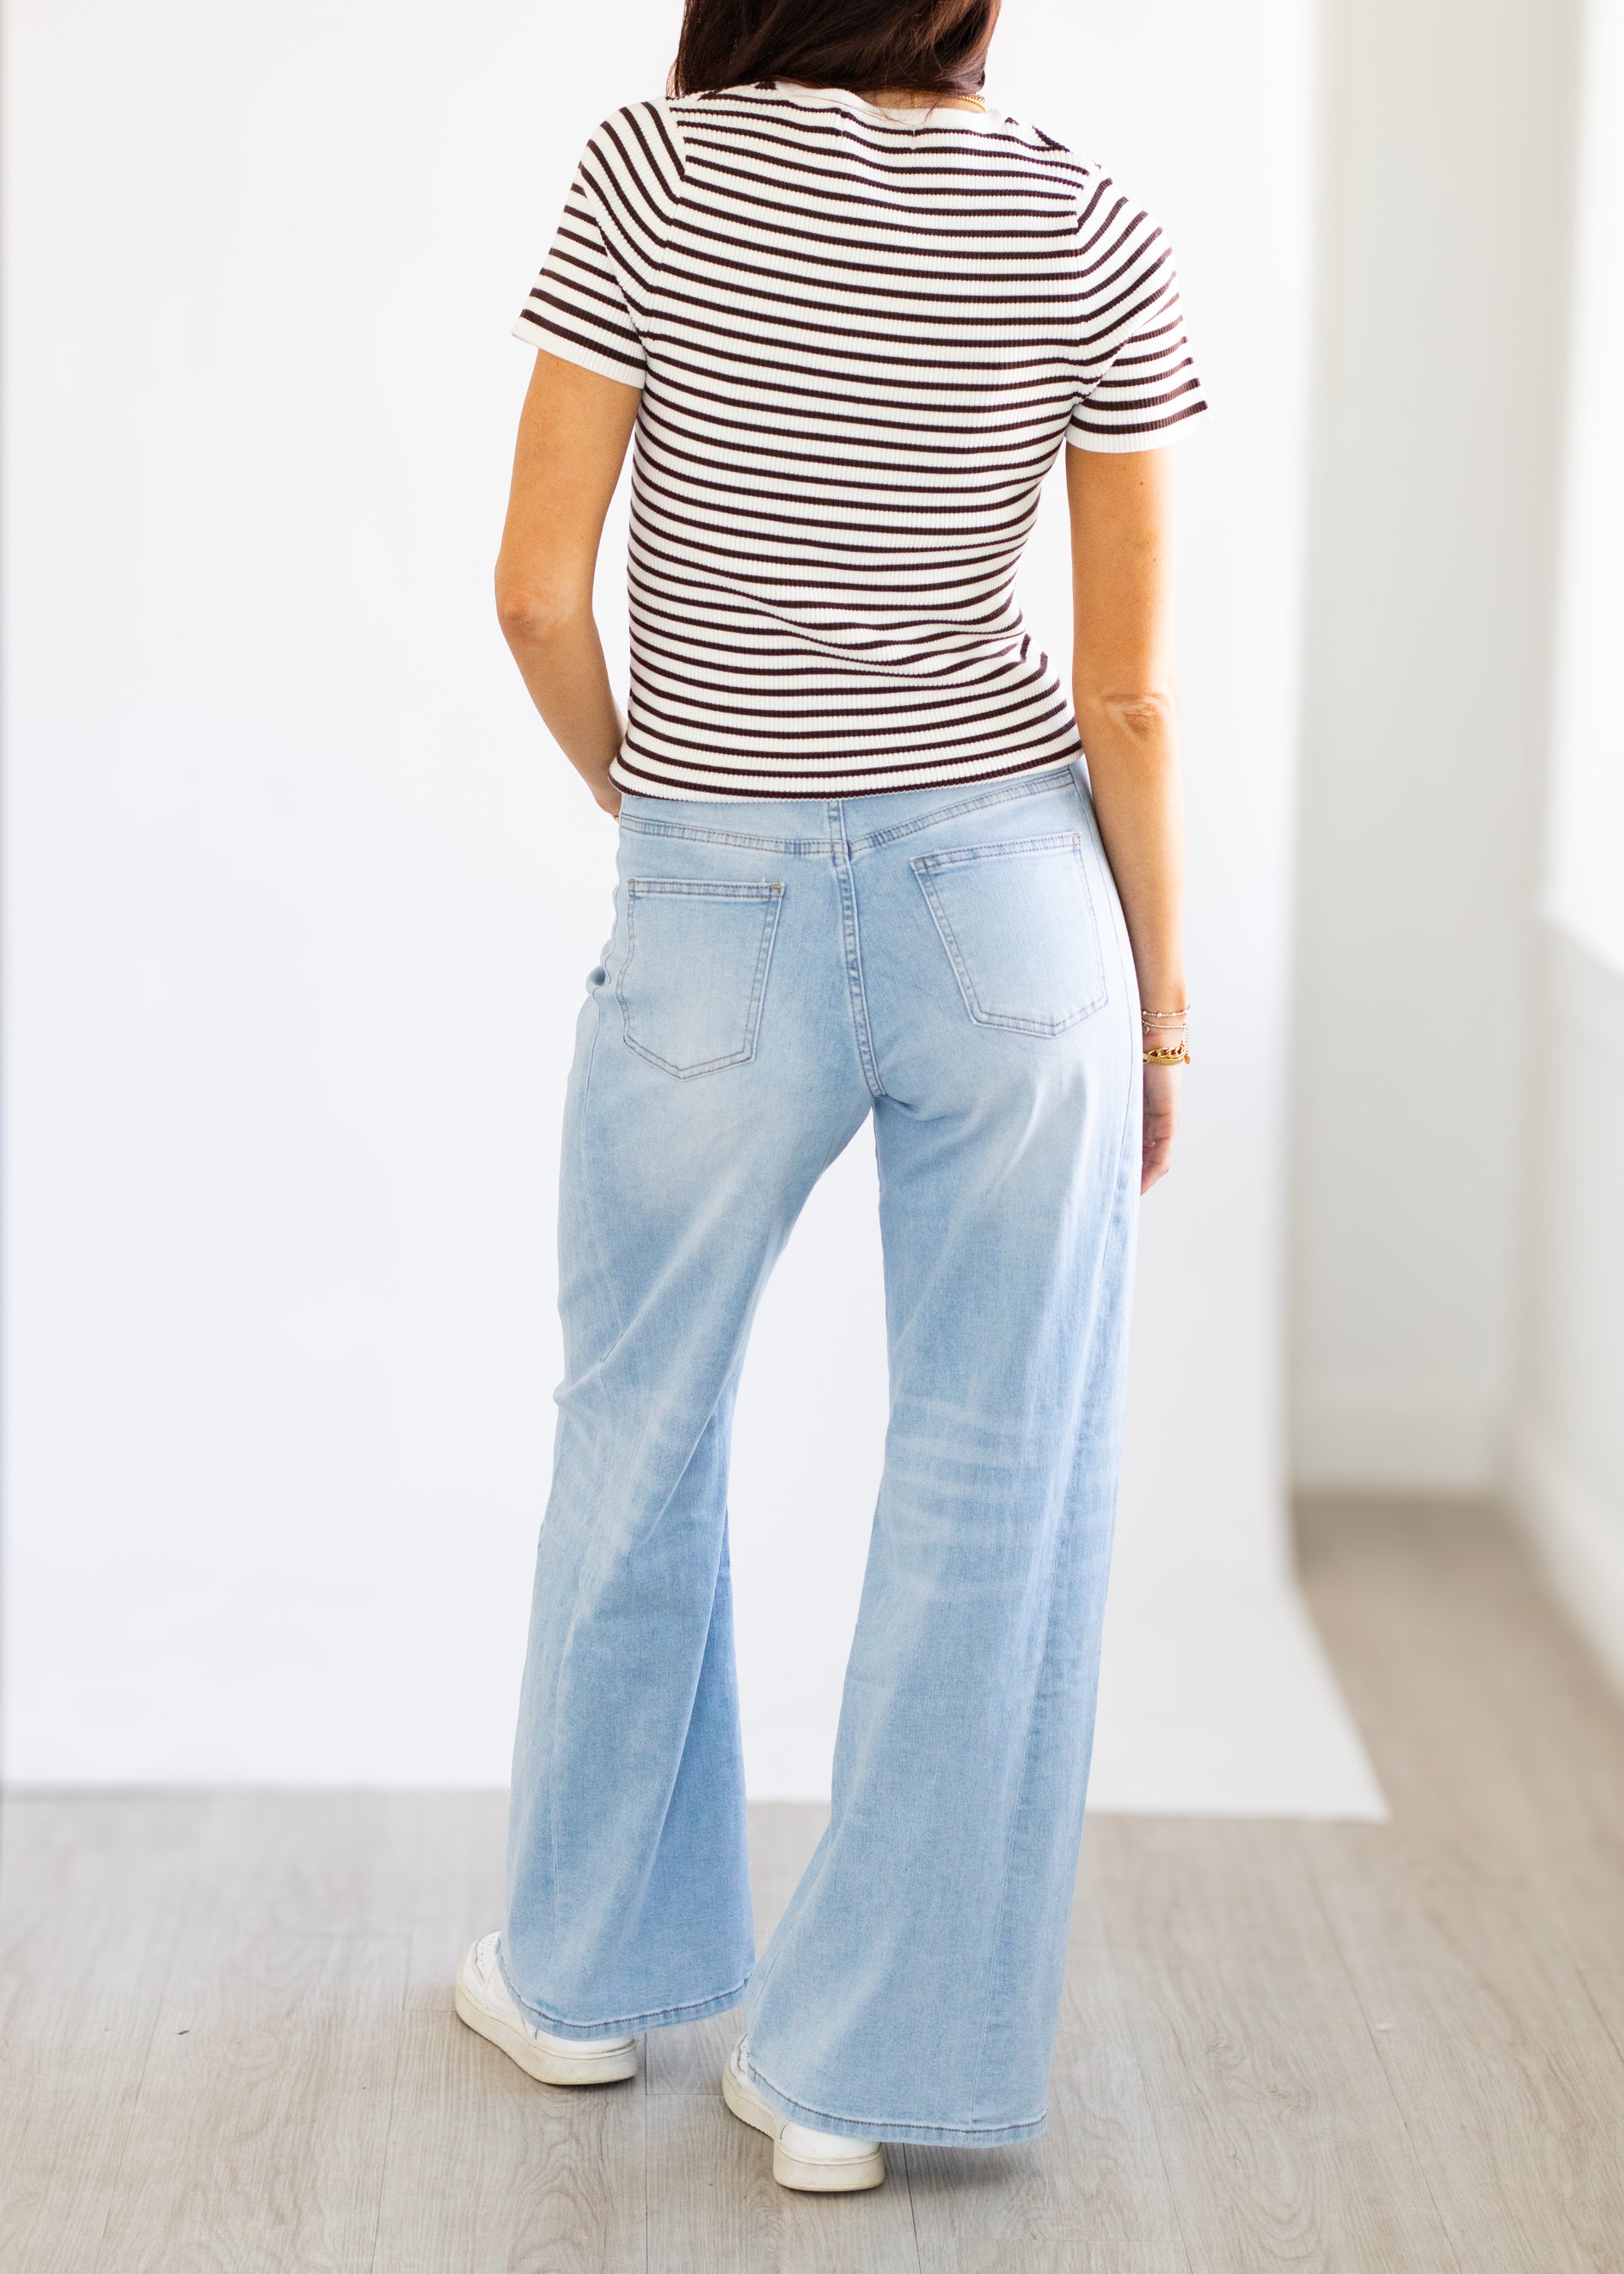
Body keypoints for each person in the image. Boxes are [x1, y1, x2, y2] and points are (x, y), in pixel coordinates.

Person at [454, 0, 1204, 2195]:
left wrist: (652, 794)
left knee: (636, 1427)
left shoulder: (652, 169)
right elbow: (1131, 701)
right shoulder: (1090, 222)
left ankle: (582, 1980)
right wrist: (1161, 1010)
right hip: (1014, 911)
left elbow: (533, 593)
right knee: (996, 1472)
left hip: (718, 881)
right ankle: (852, 2081)